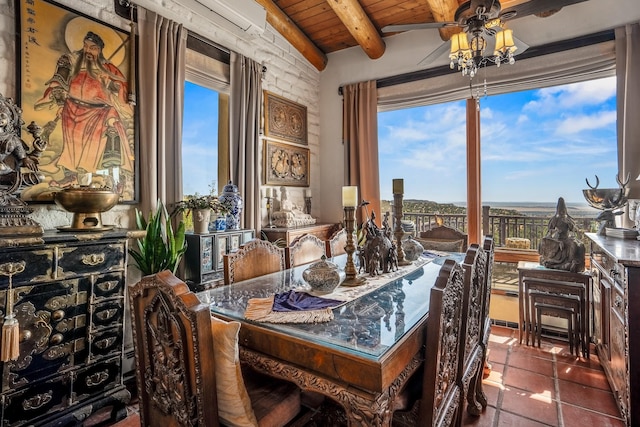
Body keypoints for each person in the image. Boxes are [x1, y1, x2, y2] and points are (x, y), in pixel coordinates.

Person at [35, 31, 134, 186]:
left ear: (100, 50)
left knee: (107, 140)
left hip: (100, 112)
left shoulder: (108, 68)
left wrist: (109, 83)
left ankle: (114, 180)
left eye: (93, 48)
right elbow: (59, 82)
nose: (88, 51)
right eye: (86, 46)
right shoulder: (70, 60)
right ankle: (71, 176)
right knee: (72, 148)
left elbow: (122, 90)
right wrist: (61, 103)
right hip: (72, 108)